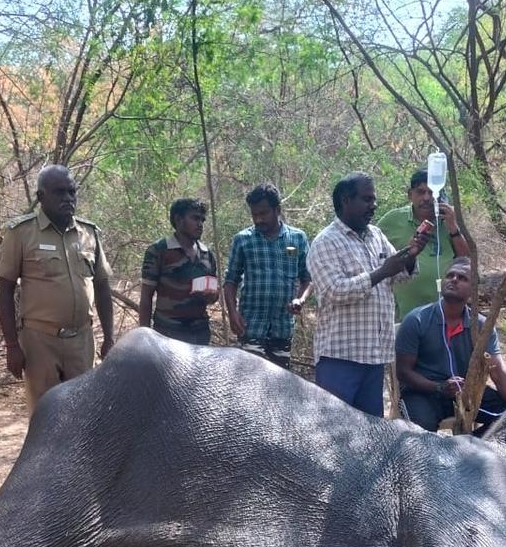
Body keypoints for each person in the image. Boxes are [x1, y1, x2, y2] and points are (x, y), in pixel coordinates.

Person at [307, 172, 429, 416]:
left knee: (371, 432)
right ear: (345, 201)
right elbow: (333, 291)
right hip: (340, 358)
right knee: (335, 428)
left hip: (374, 356)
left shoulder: (376, 236)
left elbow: (398, 276)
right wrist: (381, 272)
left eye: (374, 199)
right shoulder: (325, 242)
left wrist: (411, 254)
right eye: (366, 199)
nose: (373, 205)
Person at [0, 165, 116, 409]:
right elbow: (5, 290)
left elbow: (102, 287)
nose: (68, 198)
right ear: (41, 196)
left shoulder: (88, 233)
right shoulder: (21, 233)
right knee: (44, 414)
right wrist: (12, 345)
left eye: (72, 192)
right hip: (40, 343)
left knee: (82, 412)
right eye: (60, 192)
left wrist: (109, 338)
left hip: (82, 341)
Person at [395, 257, 506, 435]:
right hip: (423, 393)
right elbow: (403, 372)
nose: (454, 280)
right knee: (421, 433)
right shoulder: (417, 320)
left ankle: (470, 446)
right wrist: (440, 387)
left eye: (462, 278)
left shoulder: (481, 325)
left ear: (473, 290)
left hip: (465, 393)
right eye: (450, 275)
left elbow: (497, 370)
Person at [223, 184, 311, 369]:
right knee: (249, 380)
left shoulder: (297, 239)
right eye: (254, 214)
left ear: (277, 210)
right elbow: (231, 281)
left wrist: (300, 300)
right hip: (251, 327)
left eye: (263, 214)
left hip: (282, 328)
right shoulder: (243, 240)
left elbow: (307, 278)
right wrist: (232, 313)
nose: (258, 219)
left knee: (279, 381)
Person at [377, 168, 471, 321]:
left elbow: (467, 261)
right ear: (410, 195)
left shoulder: (449, 220)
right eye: (420, 192)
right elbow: (372, 252)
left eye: (431, 192)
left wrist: (453, 227)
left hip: (445, 315)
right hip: (403, 315)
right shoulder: (393, 220)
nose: (427, 198)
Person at [139, 199, 219, 345]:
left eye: (202, 220)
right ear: (178, 219)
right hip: (168, 332)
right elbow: (146, 297)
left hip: (200, 332)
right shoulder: (158, 251)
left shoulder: (207, 254)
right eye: (195, 218)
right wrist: (144, 337)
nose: (200, 224)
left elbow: (214, 296)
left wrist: (212, 295)